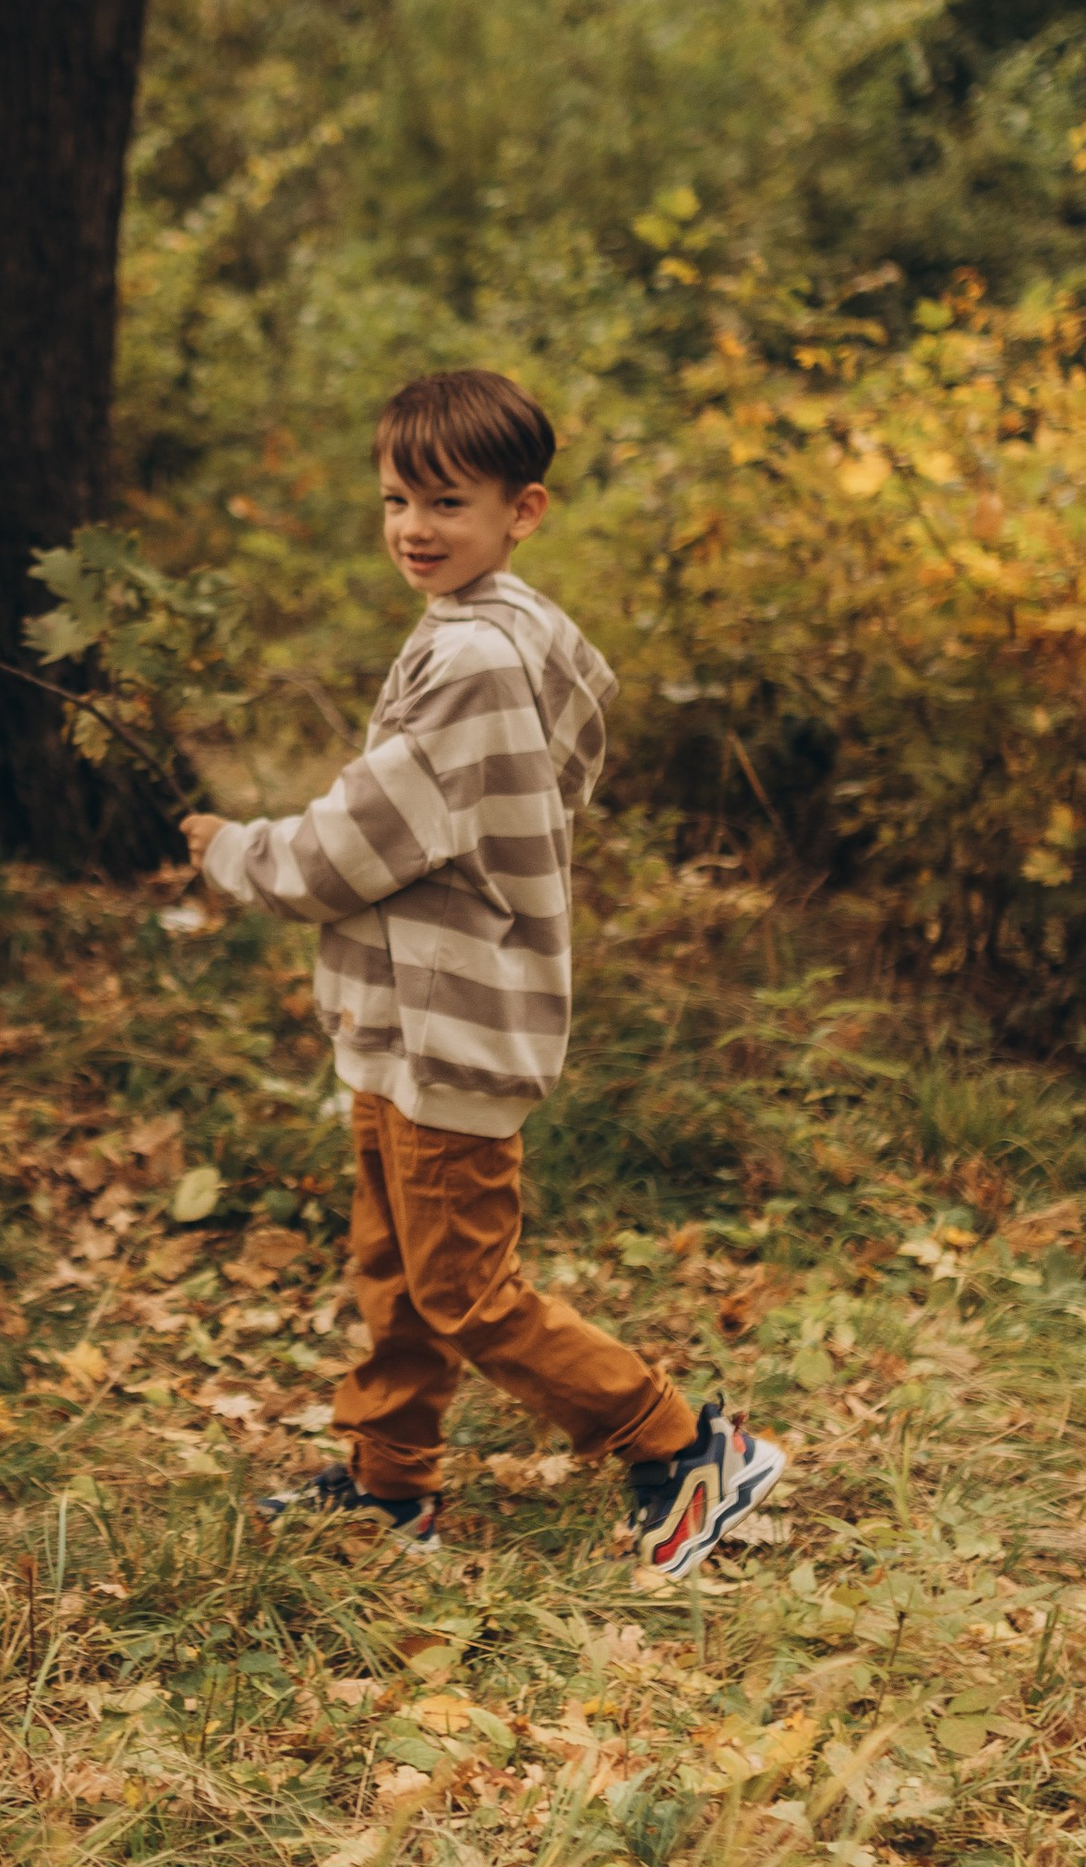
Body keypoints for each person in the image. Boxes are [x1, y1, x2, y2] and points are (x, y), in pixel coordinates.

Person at [183, 365, 784, 1578]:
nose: (413, 527)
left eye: (447, 503)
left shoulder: (471, 661)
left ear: (524, 510)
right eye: (397, 499)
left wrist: (235, 853)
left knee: (462, 1288)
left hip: (451, 1026)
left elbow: (355, 844)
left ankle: (680, 1442)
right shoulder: (508, 632)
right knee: (394, 1269)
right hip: (405, 1021)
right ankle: (386, 1481)